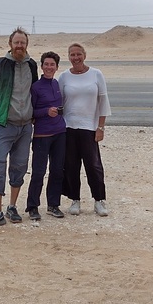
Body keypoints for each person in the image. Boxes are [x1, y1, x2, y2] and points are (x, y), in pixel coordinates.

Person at [0, 28, 38, 230]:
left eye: (23, 43)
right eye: (16, 42)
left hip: (25, 127)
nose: (19, 46)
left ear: (27, 45)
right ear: (10, 44)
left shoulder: (32, 65)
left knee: (19, 167)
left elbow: (35, 92)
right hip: (4, 125)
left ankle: (12, 207)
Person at [58, 43, 111, 217]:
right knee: (71, 165)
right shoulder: (64, 77)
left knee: (93, 166)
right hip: (69, 127)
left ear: (84, 55)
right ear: (69, 57)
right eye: (72, 55)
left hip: (89, 128)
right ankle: (75, 200)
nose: (76, 58)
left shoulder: (96, 74)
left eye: (78, 54)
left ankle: (99, 200)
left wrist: (100, 127)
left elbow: (103, 102)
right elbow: (59, 102)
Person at [24, 51, 66, 220]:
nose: (49, 67)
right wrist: (46, 112)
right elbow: (31, 112)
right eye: (46, 64)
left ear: (57, 67)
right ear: (41, 66)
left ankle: (53, 205)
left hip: (60, 133)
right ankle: (33, 206)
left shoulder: (56, 84)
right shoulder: (36, 87)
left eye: (52, 65)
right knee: (39, 172)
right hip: (42, 135)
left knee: (57, 170)